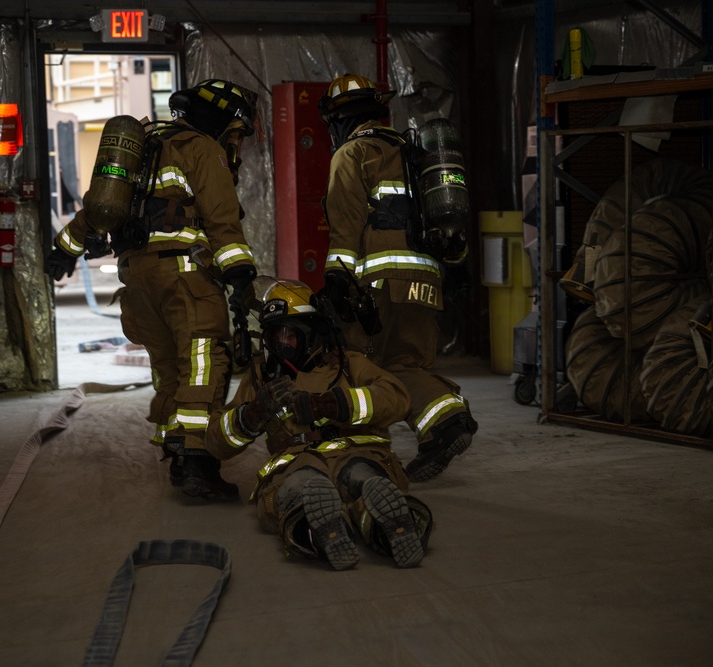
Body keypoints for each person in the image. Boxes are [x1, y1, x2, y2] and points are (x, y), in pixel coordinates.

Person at [44, 79, 260, 502]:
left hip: (137, 279)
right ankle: (199, 462)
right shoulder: (202, 149)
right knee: (203, 364)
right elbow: (221, 220)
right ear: (217, 119)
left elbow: (100, 207)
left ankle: (177, 452)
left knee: (169, 369)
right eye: (234, 132)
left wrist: (63, 248)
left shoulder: (144, 146)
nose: (236, 143)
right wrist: (239, 274)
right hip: (185, 278)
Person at [315, 73, 479, 483]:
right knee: (405, 363)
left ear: (338, 120)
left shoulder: (353, 154)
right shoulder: (417, 155)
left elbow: (346, 228)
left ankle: (365, 454)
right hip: (426, 283)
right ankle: (446, 419)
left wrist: (336, 279)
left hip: (378, 286)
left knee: (360, 365)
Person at [206, 277, 433, 570]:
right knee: (301, 488)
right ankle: (323, 530)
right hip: (296, 463)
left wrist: (333, 403)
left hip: (357, 454)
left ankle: (390, 528)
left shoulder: (348, 364)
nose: (278, 346)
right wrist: (251, 414)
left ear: (311, 333)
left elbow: (397, 398)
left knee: (364, 478)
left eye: (288, 336)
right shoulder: (261, 379)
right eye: (272, 337)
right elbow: (216, 443)